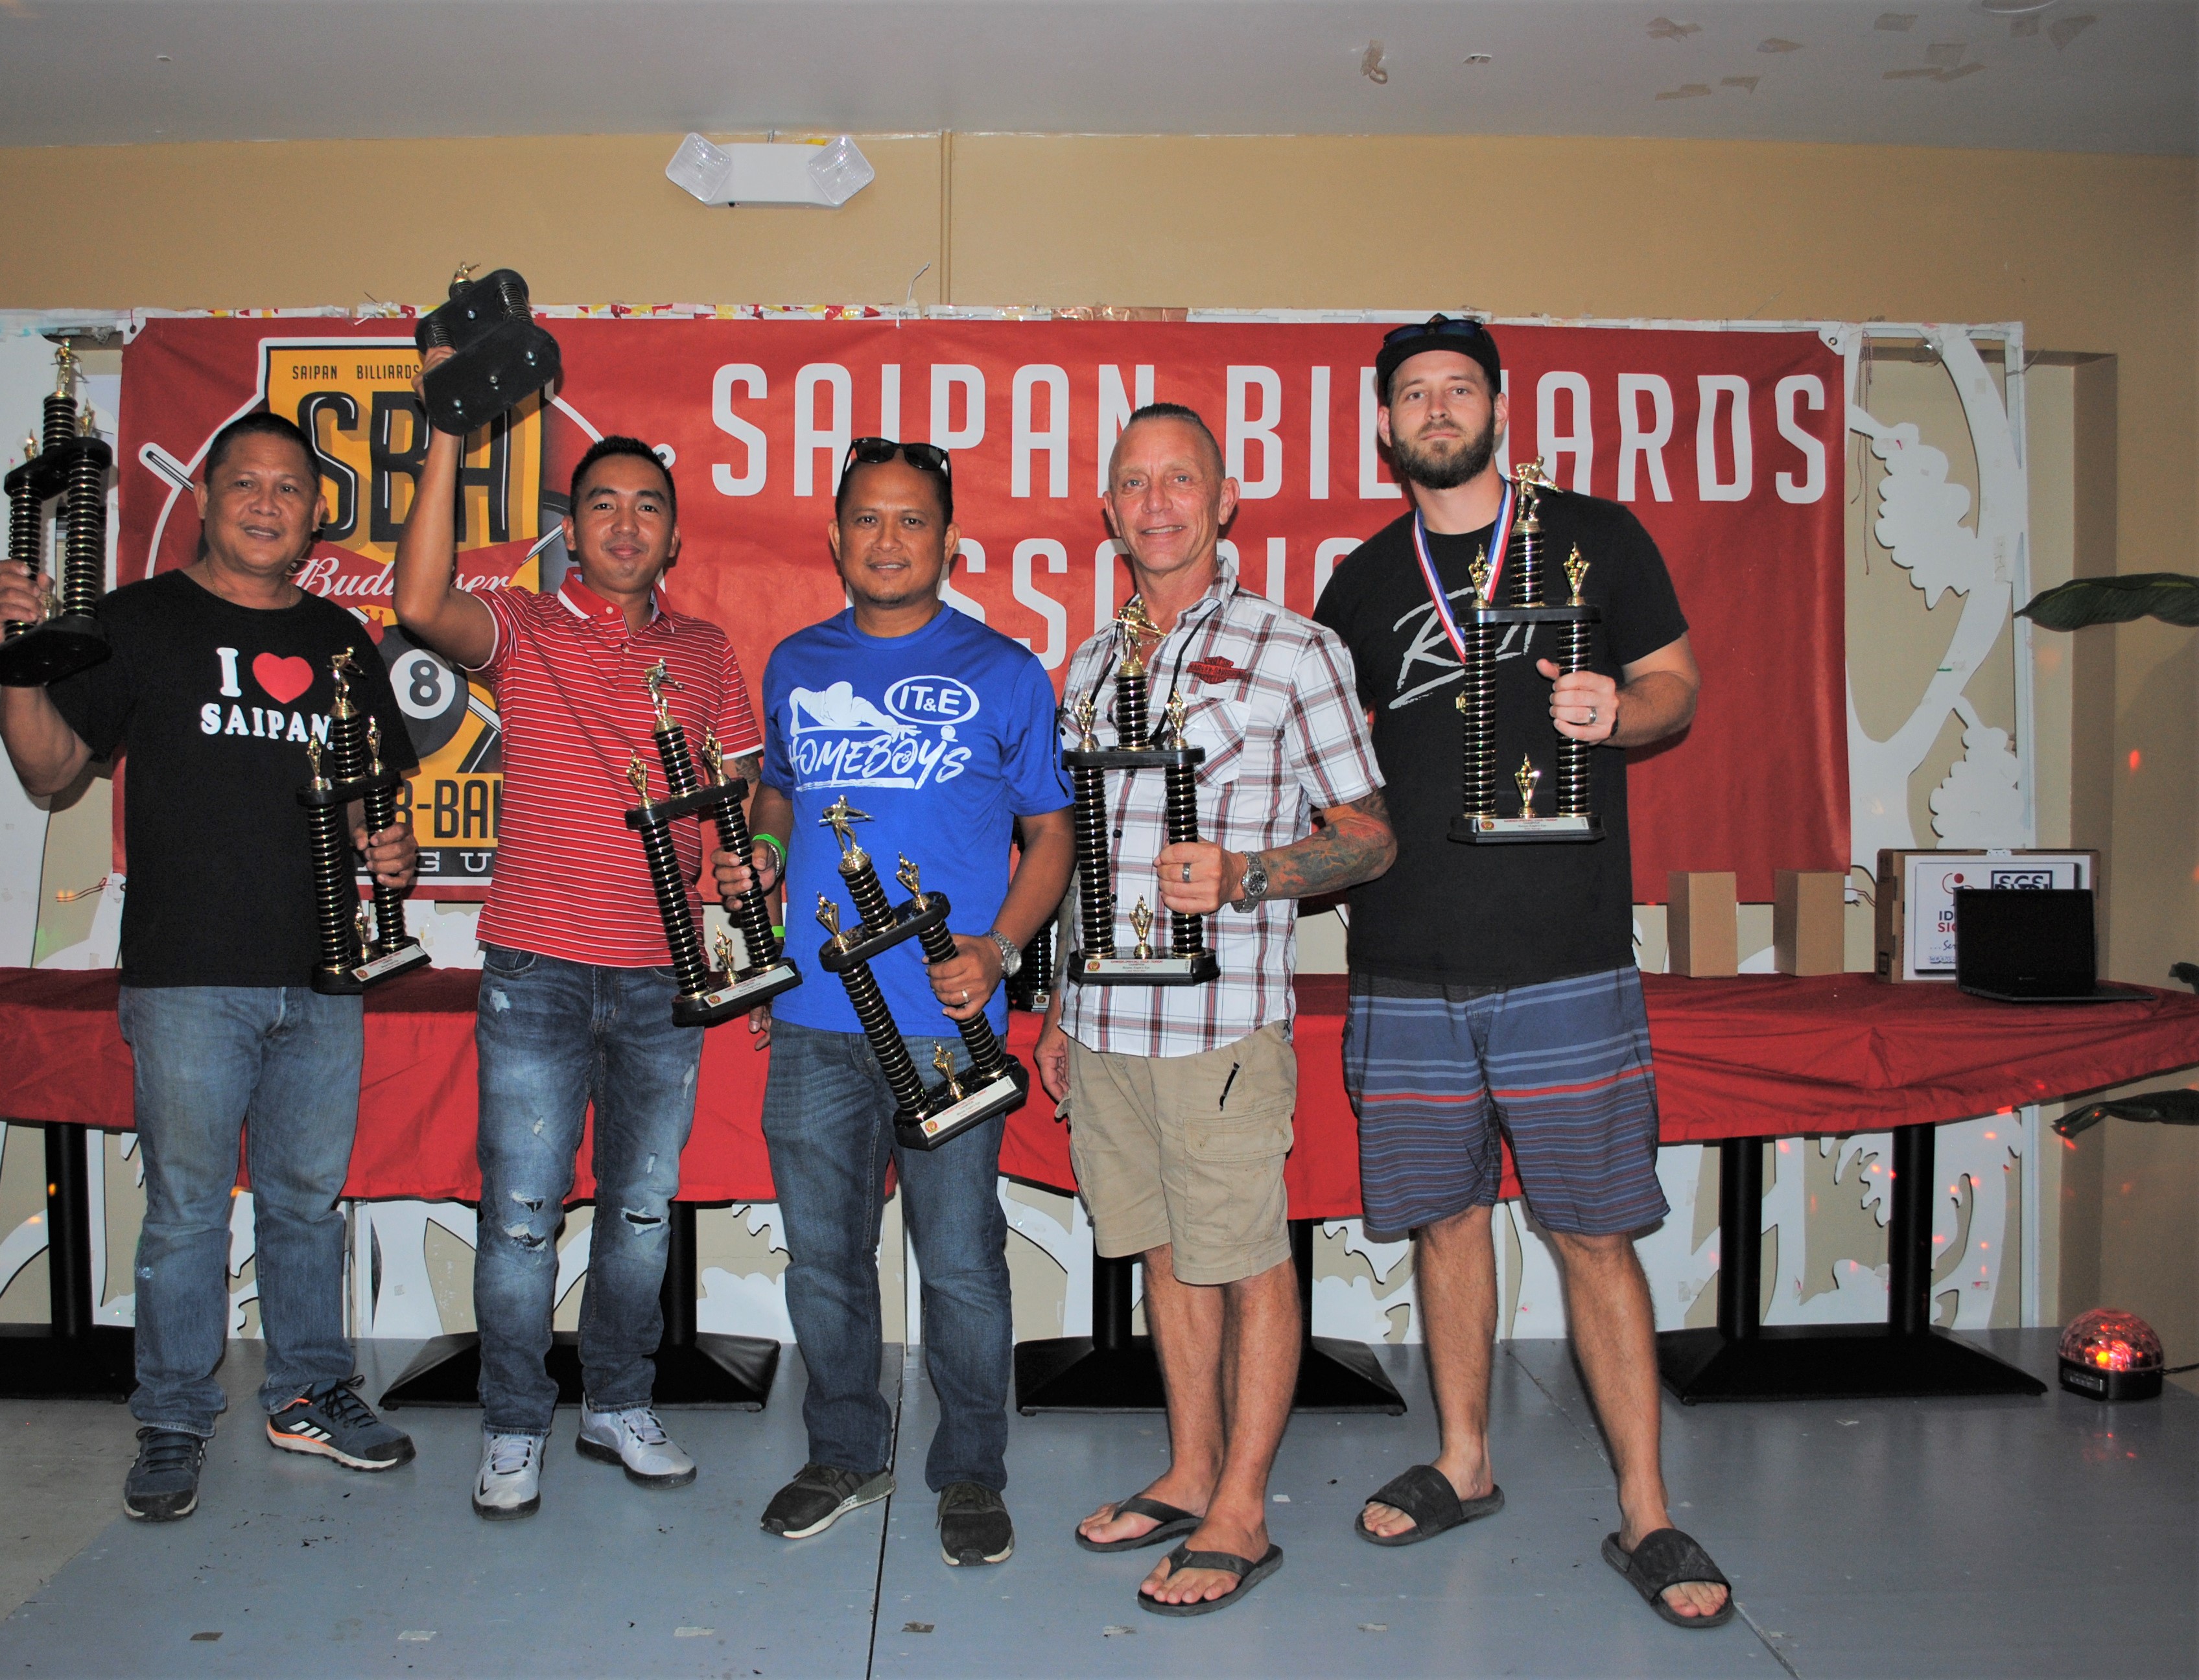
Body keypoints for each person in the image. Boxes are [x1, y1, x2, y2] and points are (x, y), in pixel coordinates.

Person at [1311, 315, 1730, 1629]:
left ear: (1498, 408)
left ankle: (1647, 1511)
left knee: (1593, 1232)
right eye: (1413, 394)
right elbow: (1329, 767)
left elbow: (1676, 685)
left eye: (1458, 389)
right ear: (1386, 426)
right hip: (1402, 961)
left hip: (1563, 956)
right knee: (1445, 1221)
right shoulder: (1360, 583)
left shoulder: (1597, 537)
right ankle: (1464, 1460)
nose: (1436, 409)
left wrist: (1621, 709)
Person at [0, 410, 421, 1523]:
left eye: (290, 488)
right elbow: (50, 770)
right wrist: (18, 662)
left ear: (315, 516)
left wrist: (389, 844)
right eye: (246, 484)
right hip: (185, 975)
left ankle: (308, 1391)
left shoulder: (339, 639)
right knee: (184, 1210)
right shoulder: (136, 622)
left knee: (306, 1205)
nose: (268, 504)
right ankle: (173, 1417)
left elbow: (369, 798)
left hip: (324, 972)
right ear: (207, 499)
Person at [1039, 404, 1396, 1615]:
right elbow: (1085, 857)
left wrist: (1248, 873)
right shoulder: (1091, 666)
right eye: (1134, 483)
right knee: (1164, 1249)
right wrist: (1061, 1004)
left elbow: (1369, 838)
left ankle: (1243, 1508)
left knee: (1244, 1257)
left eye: (1180, 479)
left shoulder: (1295, 651)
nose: (1157, 504)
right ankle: (1191, 1469)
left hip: (1220, 1025)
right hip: (1106, 1027)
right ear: (1109, 507)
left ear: (1225, 498)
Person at [393, 349, 760, 1519]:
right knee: (521, 1217)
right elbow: (417, 603)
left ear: (674, 537)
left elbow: (742, 799)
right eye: (603, 503)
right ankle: (514, 1425)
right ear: (572, 528)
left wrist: (749, 859)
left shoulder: (707, 655)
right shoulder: (521, 627)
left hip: (663, 976)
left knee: (641, 1214)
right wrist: (448, 428)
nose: (625, 523)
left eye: (648, 506)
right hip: (538, 969)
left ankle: (616, 1403)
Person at [712, 437, 1074, 1566]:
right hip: (815, 1023)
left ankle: (970, 1470)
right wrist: (766, 856)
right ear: (835, 537)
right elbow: (778, 792)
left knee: (959, 1262)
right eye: (867, 518)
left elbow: (1052, 835)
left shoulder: (1006, 670)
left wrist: (1000, 951)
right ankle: (843, 1452)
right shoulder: (795, 662)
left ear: (949, 541)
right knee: (824, 1260)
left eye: (912, 520)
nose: (887, 539)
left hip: (946, 1029)